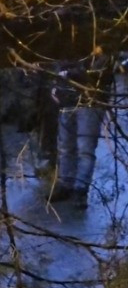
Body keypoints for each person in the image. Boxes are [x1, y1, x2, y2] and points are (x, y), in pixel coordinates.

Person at [49, 51, 113, 204]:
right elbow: (56, 71)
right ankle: (66, 185)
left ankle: (80, 190)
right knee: (65, 148)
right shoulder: (68, 47)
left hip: (90, 104)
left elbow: (98, 75)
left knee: (85, 150)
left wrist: (69, 73)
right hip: (66, 103)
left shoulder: (102, 52)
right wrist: (54, 88)